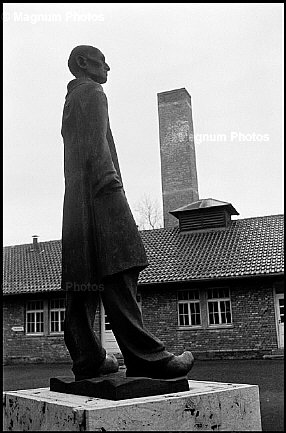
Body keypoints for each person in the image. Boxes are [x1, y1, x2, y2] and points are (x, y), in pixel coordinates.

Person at [61, 45, 194, 381]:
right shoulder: (93, 93)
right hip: (101, 195)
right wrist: (111, 187)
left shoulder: (71, 101)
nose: (109, 67)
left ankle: (87, 359)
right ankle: (149, 359)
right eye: (102, 61)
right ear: (83, 64)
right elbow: (96, 146)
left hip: (77, 203)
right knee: (121, 268)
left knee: (83, 282)